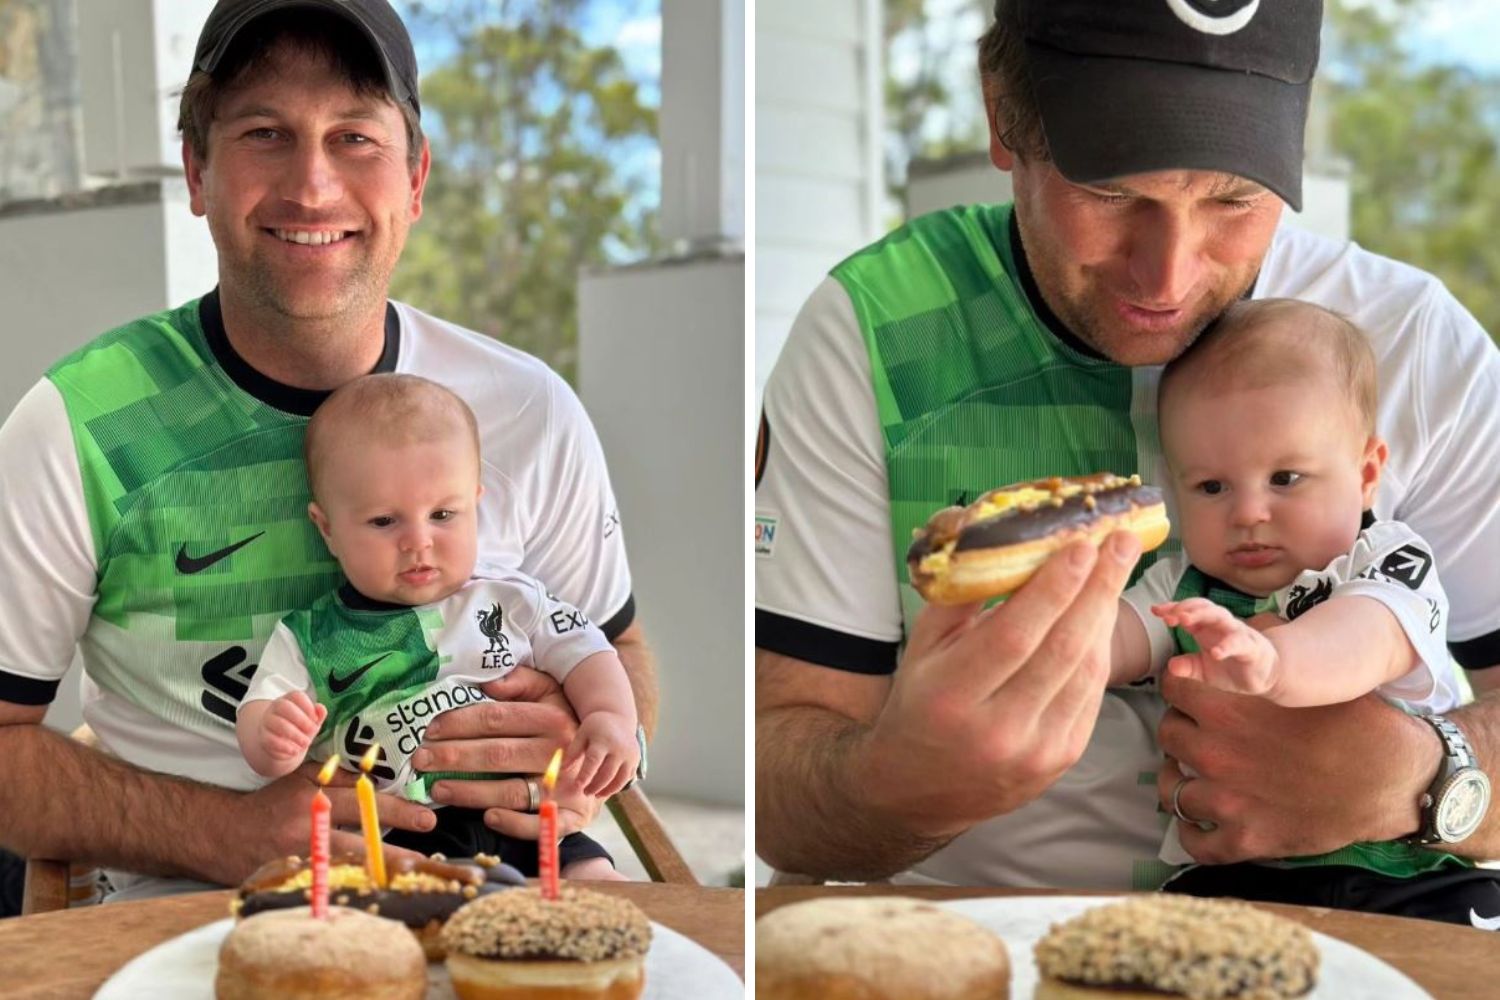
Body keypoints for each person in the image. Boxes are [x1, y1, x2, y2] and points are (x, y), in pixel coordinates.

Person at [755, 0, 1500, 907]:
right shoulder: (876, 327)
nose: (1169, 276)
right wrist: (901, 783)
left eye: (1233, 197)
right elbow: (779, 790)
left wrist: (1421, 781)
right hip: (977, 935)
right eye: (1110, 191)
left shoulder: (1414, 342)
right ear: (1002, 114)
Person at [0, 0, 656, 901]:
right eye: (265, 133)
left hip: (502, 882)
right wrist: (221, 830)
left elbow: (619, 648)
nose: (312, 186)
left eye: (355, 137)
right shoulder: (78, 425)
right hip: (199, 918)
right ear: (197, 171)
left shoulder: (528, 408)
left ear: (416, 179)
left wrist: (590, 749)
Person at [1101, 299, 1499, 921]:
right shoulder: (1186, 583)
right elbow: (1115, 638)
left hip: (1403, 873)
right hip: (1236, 875)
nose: (1248, 513)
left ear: (1366, 474)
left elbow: (1366, 635)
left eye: (1285, 478)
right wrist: (1046, 644)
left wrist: (1276, 659)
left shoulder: (1384, 559)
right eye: (1212, 487)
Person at [237, 374, 639, 880]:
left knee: (600, 886)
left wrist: (610, 717)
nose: (418, 541)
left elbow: (589, 652)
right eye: (384, 522)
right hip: (396, 837)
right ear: (327, 528)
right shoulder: (311, 635)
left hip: (528, 822)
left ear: (477, 502)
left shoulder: (513, 599)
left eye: (444, 514)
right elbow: (262, 710)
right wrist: (271, 737)